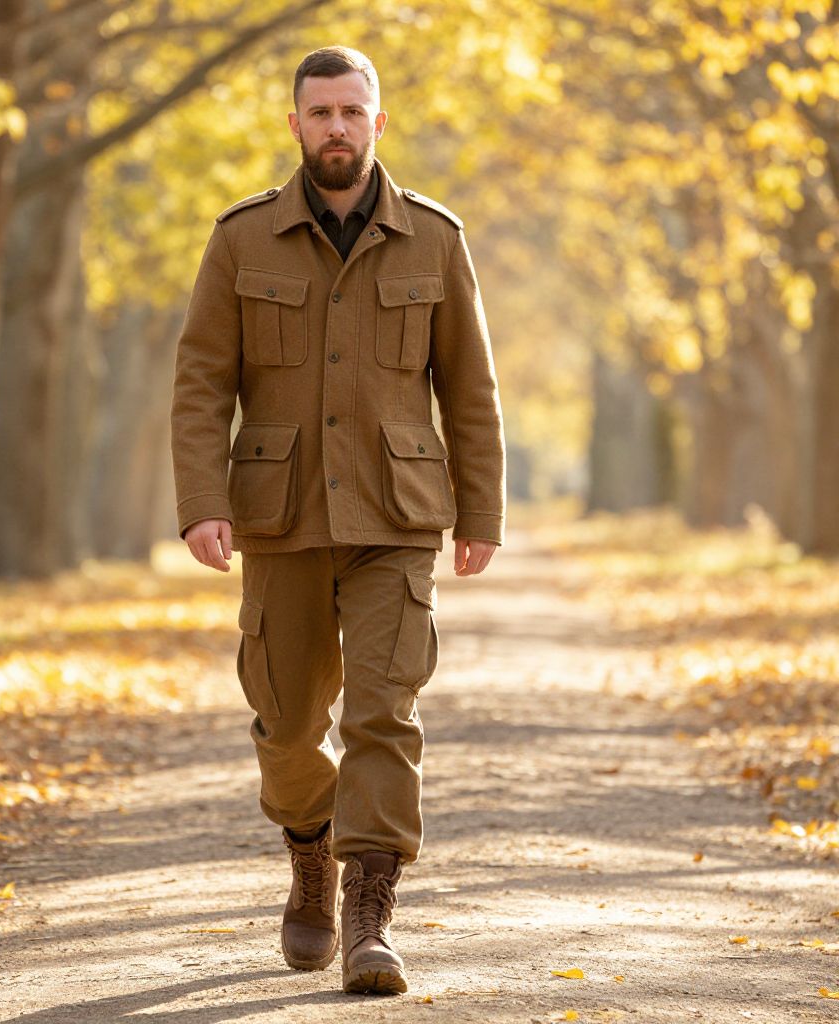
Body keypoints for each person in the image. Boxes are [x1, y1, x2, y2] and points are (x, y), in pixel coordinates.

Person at [170, 45, 505, 995]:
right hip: (277, 517)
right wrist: (201, 504)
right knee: (284, 724)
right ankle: (310, 849)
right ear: (295, 125)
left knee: (383, 712)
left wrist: (482, 508)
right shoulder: (240, 239)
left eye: (352, 112)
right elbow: (201, 386)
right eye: (320, 113)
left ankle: (369, 911)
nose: (336, 129)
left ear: (378, 123)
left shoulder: (437, 238)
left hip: (397, 517)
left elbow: (470, 391)